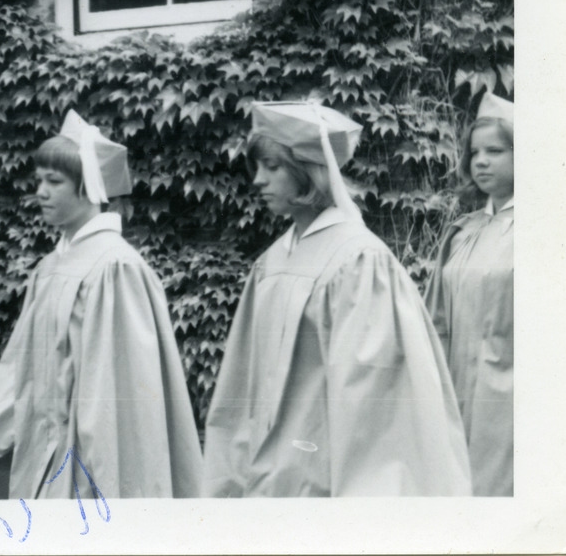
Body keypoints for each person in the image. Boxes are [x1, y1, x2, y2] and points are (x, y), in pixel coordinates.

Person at [202, 100, 471, 497]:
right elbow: (241, 392)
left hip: (324, 482)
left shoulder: (360, 262)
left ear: (307, 172)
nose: (257, 180)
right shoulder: (272, 262)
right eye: (256, 167)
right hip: (265, 481)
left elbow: (373, 406)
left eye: (272, 167)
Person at [0, 110, 203, 499]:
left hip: (89, 465)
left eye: (54, 181)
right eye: (39, 181)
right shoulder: (51, 268)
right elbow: (19, 369)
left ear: (89, 189)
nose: (41, 192)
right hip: (45, 454)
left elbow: (123, 400)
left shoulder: (116, 268)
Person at [423, 92, 513, 496]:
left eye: (495, 150)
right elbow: (436, 322)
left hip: (512, 401)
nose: (480, 161)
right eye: (474, 152)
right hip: (457, 390)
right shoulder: (462, 232)